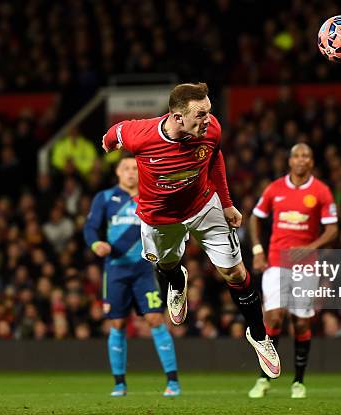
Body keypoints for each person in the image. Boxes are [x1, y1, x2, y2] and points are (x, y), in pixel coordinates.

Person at [101, 82, 280, 379]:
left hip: (202, 206)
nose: (207, 120)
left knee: (235, 272)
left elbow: (216, 158)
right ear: (177, 117)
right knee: (166, 264)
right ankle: (176, 280)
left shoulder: (210, 130)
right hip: (160, 218)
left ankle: (260, 336)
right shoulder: (142, 136)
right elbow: (114, 133)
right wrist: (107, 144)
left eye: (209, 112)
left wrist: (226, 203)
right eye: (200, 115)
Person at [84, 156, 180, 397]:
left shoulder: (151, 197)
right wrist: (96, 244)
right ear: (117, 172)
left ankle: (173, 382)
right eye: (125, 168)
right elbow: (90, 227)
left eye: (134, 168)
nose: (130, 172)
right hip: (115, 269)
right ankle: (119, 384)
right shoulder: (105, 198)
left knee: (156, 320)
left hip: (143, 270)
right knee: (116, 324)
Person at [248, 143, 338, 399]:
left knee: (300, 321)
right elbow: (255, 217)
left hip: (306, 265)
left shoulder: (321, 191)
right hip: (276, 261)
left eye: (306, 156)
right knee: (274, 317)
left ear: (311, 162)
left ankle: (298, 381)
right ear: (290, 161)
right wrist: (257, 249)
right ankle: (264, 377)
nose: (301, 160)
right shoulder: (275, 188)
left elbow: (332, 229)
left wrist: (311, 246)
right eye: (296, 155)